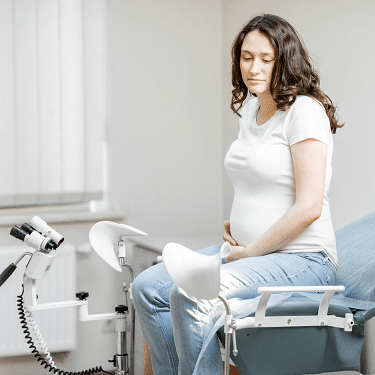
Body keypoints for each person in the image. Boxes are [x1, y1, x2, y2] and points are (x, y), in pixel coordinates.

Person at [132, 13, 344, 375]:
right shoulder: (251, 106)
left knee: (192, 294)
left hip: (303, 259)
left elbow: (309, 207)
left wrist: (250, 251)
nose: (254, 68)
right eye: (247, 57)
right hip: (247, 252)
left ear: (285, 60)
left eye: (266, 58)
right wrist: (240, 238)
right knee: (147, 288)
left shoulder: (304, 112)